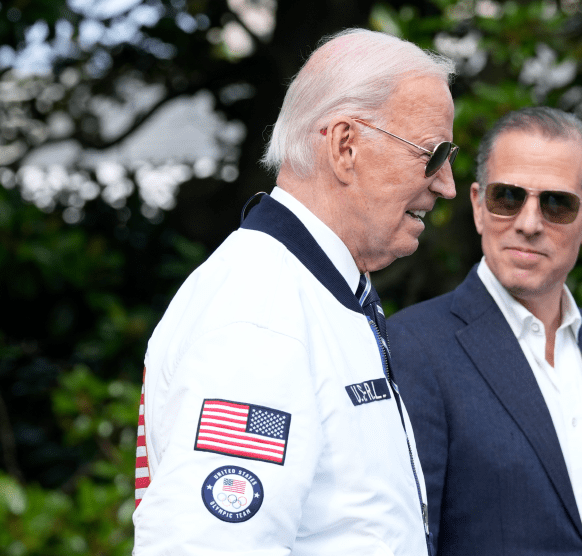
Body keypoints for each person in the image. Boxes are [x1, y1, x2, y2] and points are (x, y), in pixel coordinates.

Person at [132, 28, 459, 555]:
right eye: (432, 153)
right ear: (345, 145)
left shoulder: (312, 291)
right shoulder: (263, 315)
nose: (445, 183)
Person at [389, 106, 582, 555]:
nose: (528, 223)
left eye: (556, 203)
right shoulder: (413, 348)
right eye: (507, 197)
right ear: (477, 206)